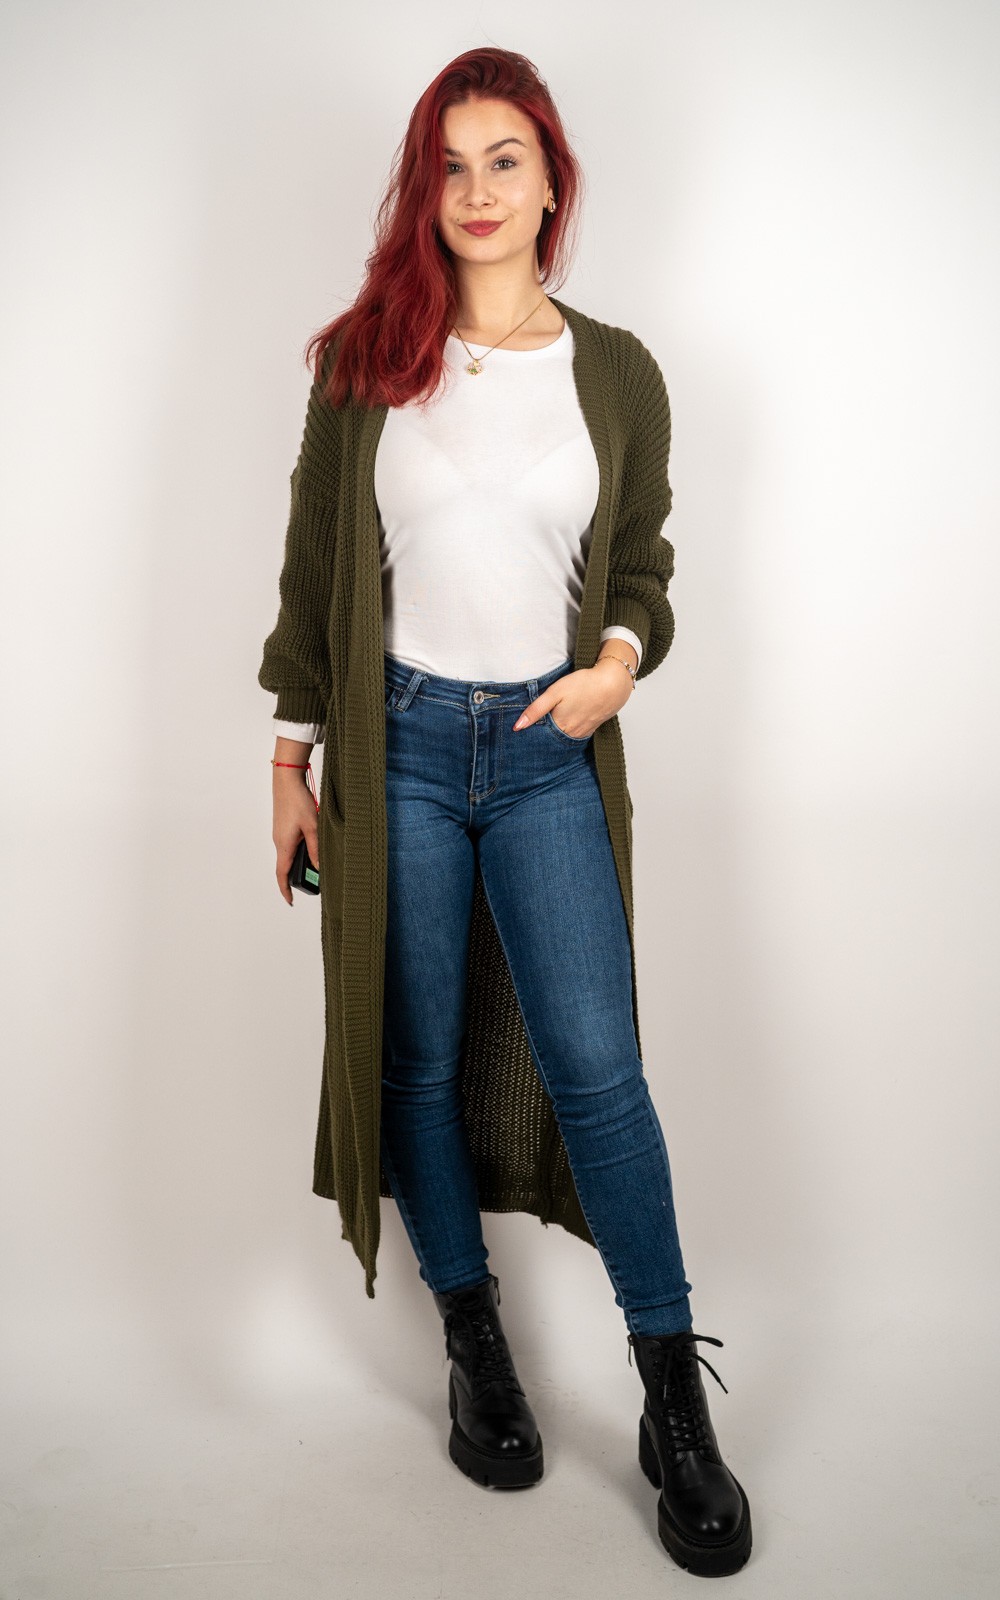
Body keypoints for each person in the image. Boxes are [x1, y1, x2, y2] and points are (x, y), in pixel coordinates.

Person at [259, 46, 752, 1578]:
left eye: (505, 161)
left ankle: (672, 1399)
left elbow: (643, 562)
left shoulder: (618, 372)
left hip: (546, 751)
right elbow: (315, 575)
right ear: (427, 191)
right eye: (451, 165)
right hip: (396, 748)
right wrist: (289, 765)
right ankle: (474, 1343)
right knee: (412, 1059)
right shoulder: (367, 365)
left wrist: (616, 664)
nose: (476, 192)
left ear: (551, 182)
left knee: (600, 1074)